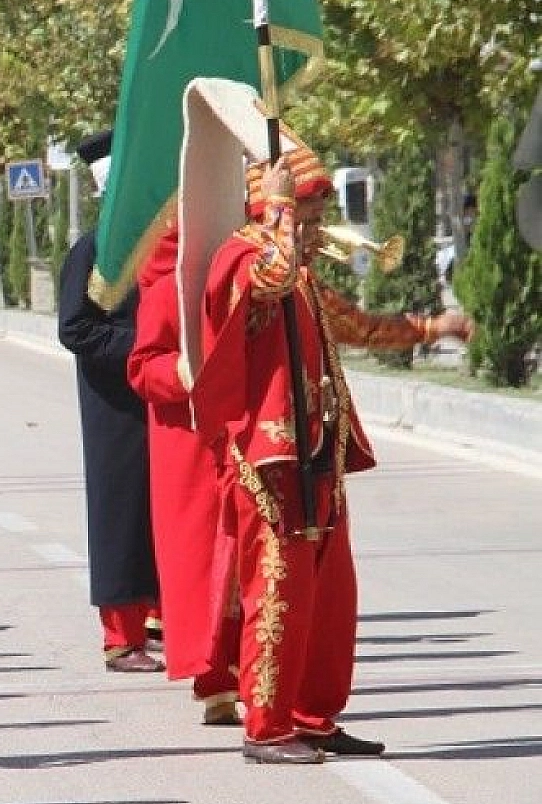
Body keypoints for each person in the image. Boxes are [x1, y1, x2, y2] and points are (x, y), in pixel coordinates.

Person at [193, 131, 473, 764]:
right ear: (270, 206)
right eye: (309, 216)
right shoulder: (239, 259)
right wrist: (280, 208)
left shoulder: (303, 274)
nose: (319, 231)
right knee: (278, 592)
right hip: (269, 460)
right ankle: (267, 727)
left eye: (319, 217)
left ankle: (312, 715)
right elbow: (269, 277)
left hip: (320, 452)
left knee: (330, 597)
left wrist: (432, 327)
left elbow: (356, 326)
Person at [127, 224, 243, 725]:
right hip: (190, 449)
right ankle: (215, 682)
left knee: (251, 565)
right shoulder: (164, 288)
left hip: (246, 435)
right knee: (204, 569)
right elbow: (142, 368)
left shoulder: (247, 275)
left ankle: (260, 680)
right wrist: (185, 370)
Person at [56, 132, 162, 673]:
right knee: (121, 515)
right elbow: (75, 328)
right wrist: (144, 346)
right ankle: (120, 637)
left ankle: (163, 618)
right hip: (115, 403)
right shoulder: (94, 250)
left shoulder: (163, 245)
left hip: (164, 393)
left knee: (164, 512)